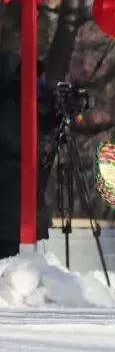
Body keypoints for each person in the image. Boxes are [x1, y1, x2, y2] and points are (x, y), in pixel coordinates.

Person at [0, 53, 53, 258]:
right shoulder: (10, 104)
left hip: (21, 204)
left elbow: (39, 132)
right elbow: (15, 142)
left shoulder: (28, 104)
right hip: (10, 207)